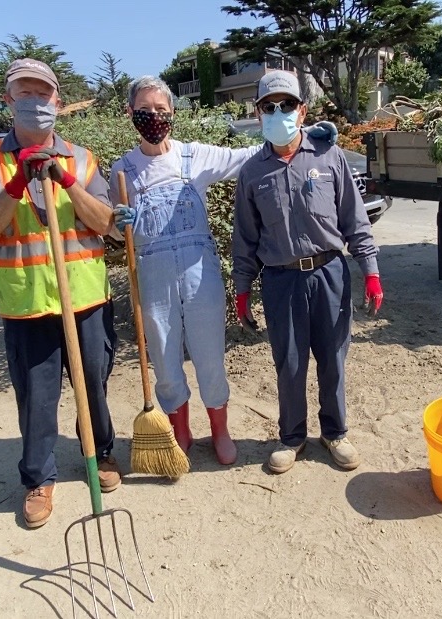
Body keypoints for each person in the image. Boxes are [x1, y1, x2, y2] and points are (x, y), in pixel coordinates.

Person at [109, 75, 336, 466]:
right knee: (163, 359)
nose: (153, 117)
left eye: (161, 110)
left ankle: (220, 431)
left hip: (200, 276)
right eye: (145, 110)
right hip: (152, 275)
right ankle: (179, 431)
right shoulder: (122, 170)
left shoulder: (192, 155)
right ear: (130, 113)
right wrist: (117, 221)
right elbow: (112, 230)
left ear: (173, 114)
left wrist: (304, 133)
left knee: (210, 356)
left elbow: (248, 155)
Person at [0, 58, 121, 529]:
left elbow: (106, 224)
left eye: (42, 94)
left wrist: (65, 179)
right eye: (23, 93)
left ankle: (100, 452)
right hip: (27, 301)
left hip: (85, 297)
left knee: (94, 383)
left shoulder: (83, 158)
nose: (34, 102)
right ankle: (38, 479)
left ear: (58, 102)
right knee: (36, 396)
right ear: (7, 100)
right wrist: (16, 184)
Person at [231, 70, 384, 475]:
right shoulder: (252, 173)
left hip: (329, 272)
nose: (277, 112)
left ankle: (334, 432)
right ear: (258, 112)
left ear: (302, 110)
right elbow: (245, 239)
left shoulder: (327, 157)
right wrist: (242, 290)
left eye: (286, 105)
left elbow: (355, 220)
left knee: (333, 358)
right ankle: (292, 436)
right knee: (291, 362)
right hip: (281, 280)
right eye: (269, 106)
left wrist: (370, 270)